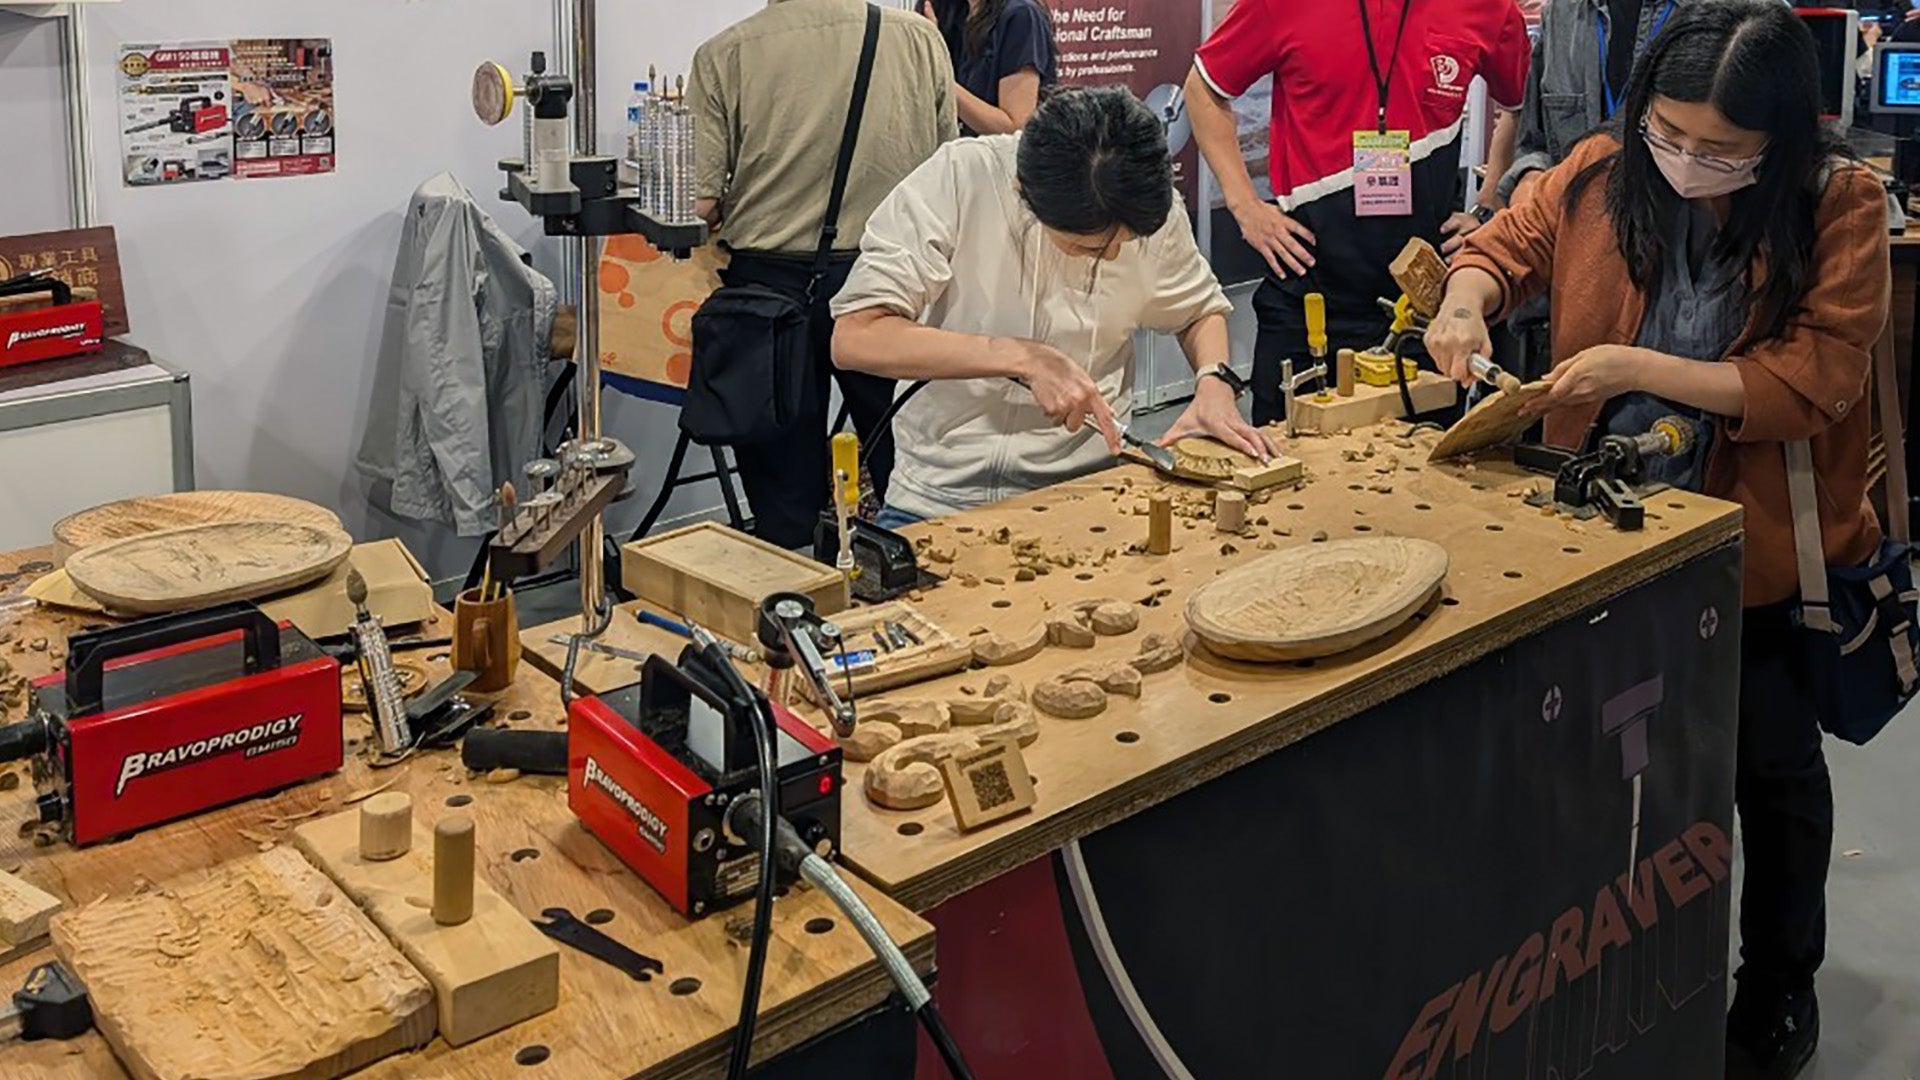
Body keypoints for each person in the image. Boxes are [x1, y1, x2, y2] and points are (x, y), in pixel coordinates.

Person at [1424, 4, 1889, 1076]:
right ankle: (1614, 974)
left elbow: (1817, 380)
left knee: (1768, 770)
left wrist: (1635, 372)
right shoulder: (1600, 172)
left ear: (1781, 140)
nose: (1685, 165)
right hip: (1593, 527)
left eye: (1721, 151)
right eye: (1668, 137)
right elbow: (1507, 242)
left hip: (1750, 539)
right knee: (1605, 767)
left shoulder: (1837, 205)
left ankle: (1778, 985)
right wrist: (1466, 298)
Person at [831, 87, 1270, 527]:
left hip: (1088, 492)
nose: (1115, 256)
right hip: (939, 498)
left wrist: (1215, 384)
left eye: (1126, 243)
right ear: (1025, 193)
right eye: (1089, 246)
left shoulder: (1144, 206)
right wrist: (1021, 357)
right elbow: (857, 336)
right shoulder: (961, 178)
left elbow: (1196, 308)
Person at [1183, 0, 1529, 426]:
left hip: (1424, 303)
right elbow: (1203, 89)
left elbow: (1518, 105)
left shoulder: (1488, 8)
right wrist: (1245, 206)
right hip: (1307, 286)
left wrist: (1491, 201)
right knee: (1284, 467)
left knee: (1424, 476)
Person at [687, 0, 956, 548]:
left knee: (782, 499)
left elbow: (702, 202)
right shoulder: (919, 40)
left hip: (768, 289)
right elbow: (947, 173)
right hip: (889, 279)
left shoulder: (726, 53)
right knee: (910, 474)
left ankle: (794, 616)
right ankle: (922, 600)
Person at [923, 0, 1058, 134]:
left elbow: (1014, 127)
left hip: (998, 153)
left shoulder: (1020, 15)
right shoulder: (951, 13)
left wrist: (942, 81)